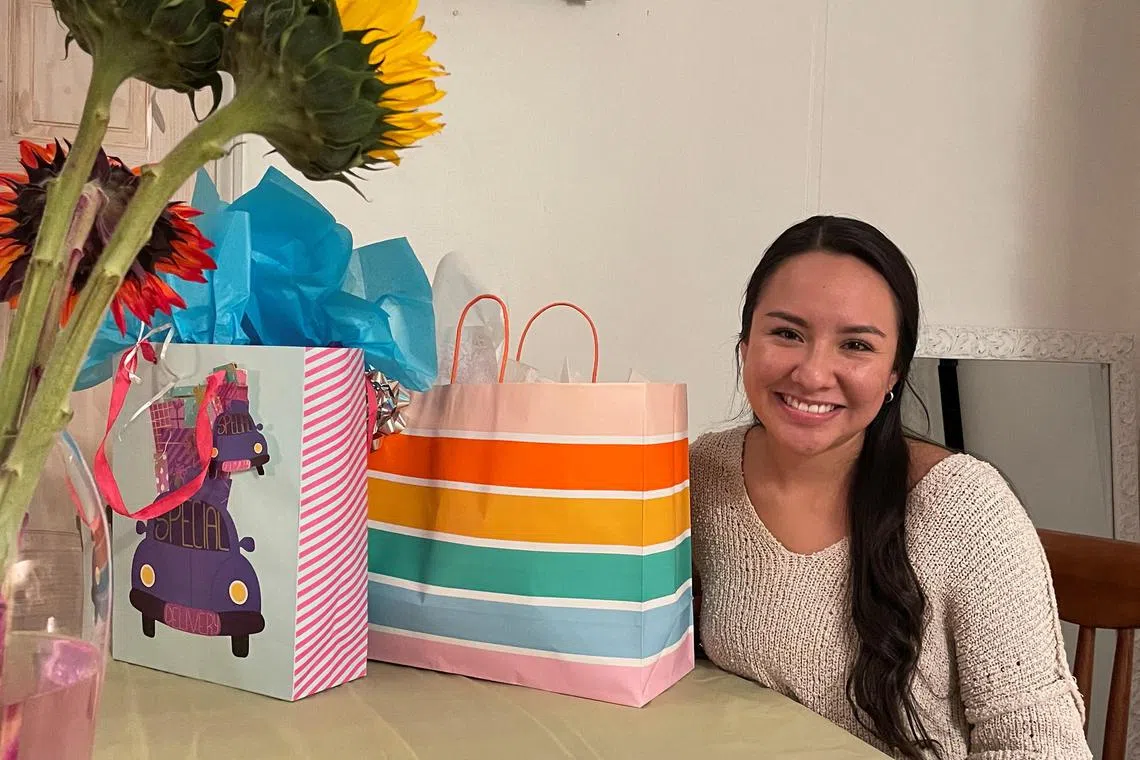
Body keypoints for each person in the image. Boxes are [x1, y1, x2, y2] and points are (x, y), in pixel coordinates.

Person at [689, 215, 1091, 759]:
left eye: (855, 345)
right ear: (745, 344)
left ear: (893, 375)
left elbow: (1041, 747)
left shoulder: (965, 510)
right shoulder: (701, 474)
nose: (812, 373)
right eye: (787, 333)